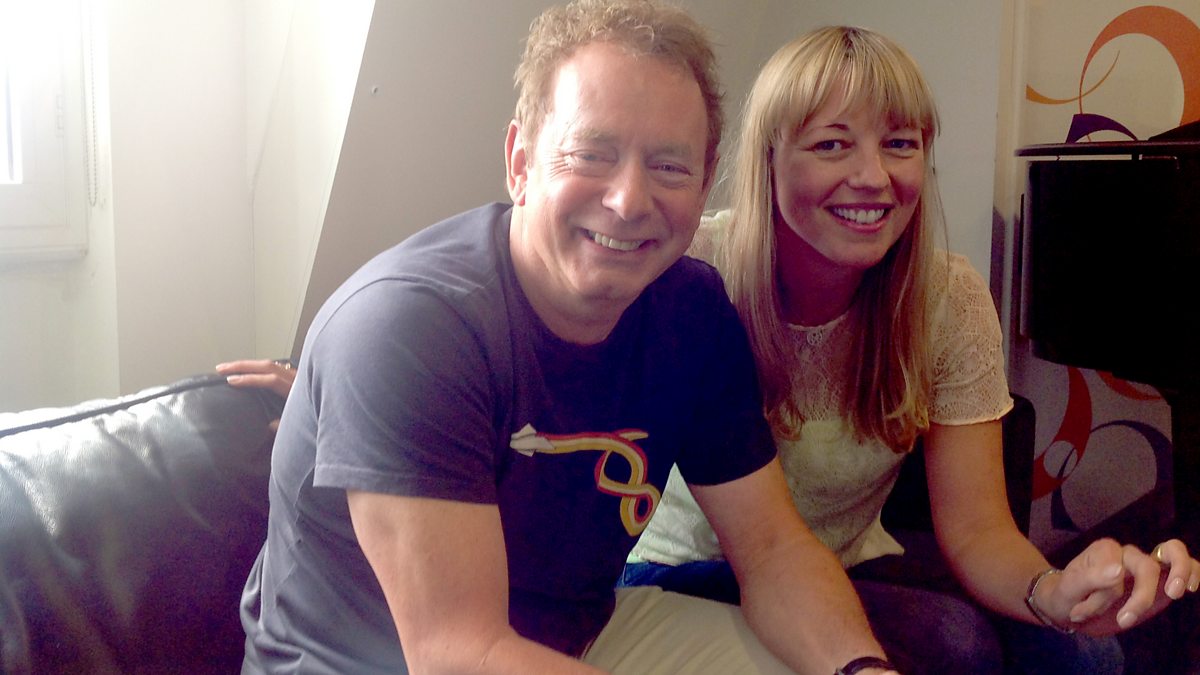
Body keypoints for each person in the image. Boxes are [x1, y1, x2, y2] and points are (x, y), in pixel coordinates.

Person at [236, 3, 904, 673]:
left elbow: (772, 550)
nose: (629, 200)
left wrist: (862, 669)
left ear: (704, 188)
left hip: (580, 637)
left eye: (669, 167)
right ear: (520, 162)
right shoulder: (410, 328)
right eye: (592, 154)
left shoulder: (692, 312)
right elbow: (458, 654)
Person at [623, 25, 1200, 675]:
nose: (873, 177)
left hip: (845, 564)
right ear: (769, 158)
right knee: (958, 643)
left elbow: (978, 528)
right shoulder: (694, 272)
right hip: (679, 570)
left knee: (1086, 654)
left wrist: (1057, 592)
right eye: (832, 144)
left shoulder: (948, 297)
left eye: (900, 143)